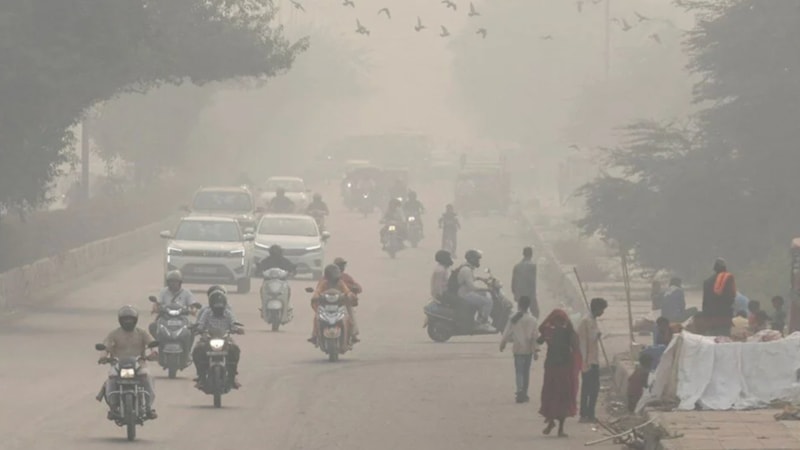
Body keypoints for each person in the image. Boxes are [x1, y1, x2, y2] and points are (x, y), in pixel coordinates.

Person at [97, 306, 157, 419]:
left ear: (135, 320)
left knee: (148, 377)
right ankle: (113, 406)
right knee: (111, 377)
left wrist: (153, 353)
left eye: (130, 319)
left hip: (139, 364)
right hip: (118, 364)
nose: (128, 322)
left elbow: (152, 344)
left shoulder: (141, 333)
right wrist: (103, 357)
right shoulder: (114, 334)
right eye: (125, 319)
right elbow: (105, 347)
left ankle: (148, 408)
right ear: (120, 320)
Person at [537, 309, 581, 438]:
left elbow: (539, 337)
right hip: (558, 368)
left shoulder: (553, 332)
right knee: (557, 396)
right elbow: (576, 348)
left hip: (560, 369)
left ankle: (557, 426)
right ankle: (554, 425)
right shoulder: (568, 332)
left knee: (557, 396)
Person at [192, 290, 242, 389]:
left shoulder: (228, 313)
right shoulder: (207, 313)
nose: (218, 309)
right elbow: (201, 324)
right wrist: (198, 329)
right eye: (216, 307)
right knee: (197, 350)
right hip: (208, 339)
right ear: (211, 305)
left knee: (235, 349)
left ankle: (232, 377)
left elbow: (234, 323)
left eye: (220, 307)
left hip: (225, 339)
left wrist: (237, 329)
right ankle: (201, 377)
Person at [148, 270, 201, 362]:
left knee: (191, 330)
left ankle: (187, 352)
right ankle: (161, 345)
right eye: (171, 281)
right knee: (153, 326)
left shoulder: (186, 293)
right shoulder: (163, 291)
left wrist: (193, 309)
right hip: (165, 317)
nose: (173, 284)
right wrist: (155, 308)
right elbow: (157, 303)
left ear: (180, 282)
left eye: (175, 281)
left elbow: (192, 304)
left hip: (181, 318)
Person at [500, 296, 540, 403]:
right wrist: (536, 351)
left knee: (519, 372)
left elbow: (507, 332)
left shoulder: (514, 318)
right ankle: (524, 393)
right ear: (528, 306)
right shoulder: (533, 319)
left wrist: (502, 344)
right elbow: (535, 336)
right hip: (528, 350)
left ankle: (519, 391)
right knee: (526, 372)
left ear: (519, 305)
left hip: (518, 349)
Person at [577, 297, 608, 423]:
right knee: (589, 389)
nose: (602, 312)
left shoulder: (592, 320)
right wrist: (584, 362)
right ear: (596, 308)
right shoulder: (586, 321)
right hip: (588, 361)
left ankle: (589, 413)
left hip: (592, 359)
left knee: (592, 389)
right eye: (602, 309)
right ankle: (586, 414)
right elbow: (584, 342)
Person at [308, 264, 355, 345]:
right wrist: (315, 296)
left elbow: (347, 291)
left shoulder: (340, 283)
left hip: (338, 306)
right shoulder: (324, 283)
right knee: (317, 318)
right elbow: (318, 291)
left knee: (349, 319)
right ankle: (315, 335)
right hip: (325, 306)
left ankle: (350, 336)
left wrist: (350, 295)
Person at [455, 250, 495, 332]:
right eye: (477, 259)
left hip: (466, 292)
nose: (478, 261)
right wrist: (487, 289)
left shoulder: (467, 268)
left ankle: (481, 318)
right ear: (472, 259)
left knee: (484, 294)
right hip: (465, 295)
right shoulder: (466, 270)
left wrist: (482, 279)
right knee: (488, 302)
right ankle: (481, 323)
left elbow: (471, 278)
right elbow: (472, 287)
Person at [702, 258, 736, 337]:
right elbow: (730, 298)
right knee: (723, 343)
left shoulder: (707, 282)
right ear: (725, 268)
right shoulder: (728, 279)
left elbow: (705, 302)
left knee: (711, 341)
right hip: (724, 318)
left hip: (710, 320)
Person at [334, 257, 362, 342]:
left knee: (350, 314)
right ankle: (315, 334)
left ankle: (353, 334)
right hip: (330, 303)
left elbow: (359, 288)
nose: (341, 267)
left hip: (344, 303)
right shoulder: (327, 277)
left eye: (342, 265)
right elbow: (320, 288)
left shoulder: (347, 277)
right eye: (339, 265)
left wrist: (353, 288)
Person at [511, 246, 539, 318]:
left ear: (523, 254)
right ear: (531, 254)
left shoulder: (517, 266)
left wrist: (515, 294)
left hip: (519, 294)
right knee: (535, 313)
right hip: (529, 294)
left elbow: (513, 282)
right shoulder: (532, 266)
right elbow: (532, 282)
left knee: (521, 313)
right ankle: (532, 328)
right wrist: (533, 295)